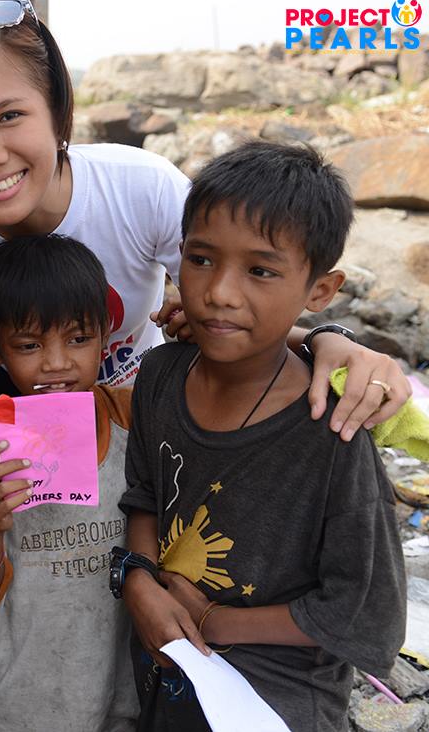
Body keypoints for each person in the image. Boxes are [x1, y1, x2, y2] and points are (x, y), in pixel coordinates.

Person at [0, 0, 411, 436]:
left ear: (59, 114)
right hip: (25, 435)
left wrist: (325, 341)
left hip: (149, 414)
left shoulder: (141, 189)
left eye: (11, 116)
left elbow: (241, 302)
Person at [119, 142, 406, 731]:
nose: (220, 292)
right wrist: (138, 581)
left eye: (260, 270)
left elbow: (364, 612)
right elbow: (145, 494)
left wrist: (215, 622)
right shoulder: (160, 375)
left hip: (275, 696)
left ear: (320, 291)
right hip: (164, 662)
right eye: (201, 259)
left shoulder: (333, 429)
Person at [0, 234, 139, 731]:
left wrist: (321, 339)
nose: (56, 363)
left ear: (105, 335)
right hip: (17, 702)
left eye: (78, 339)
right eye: (30, 345)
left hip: (117, 700)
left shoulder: (131, 418)